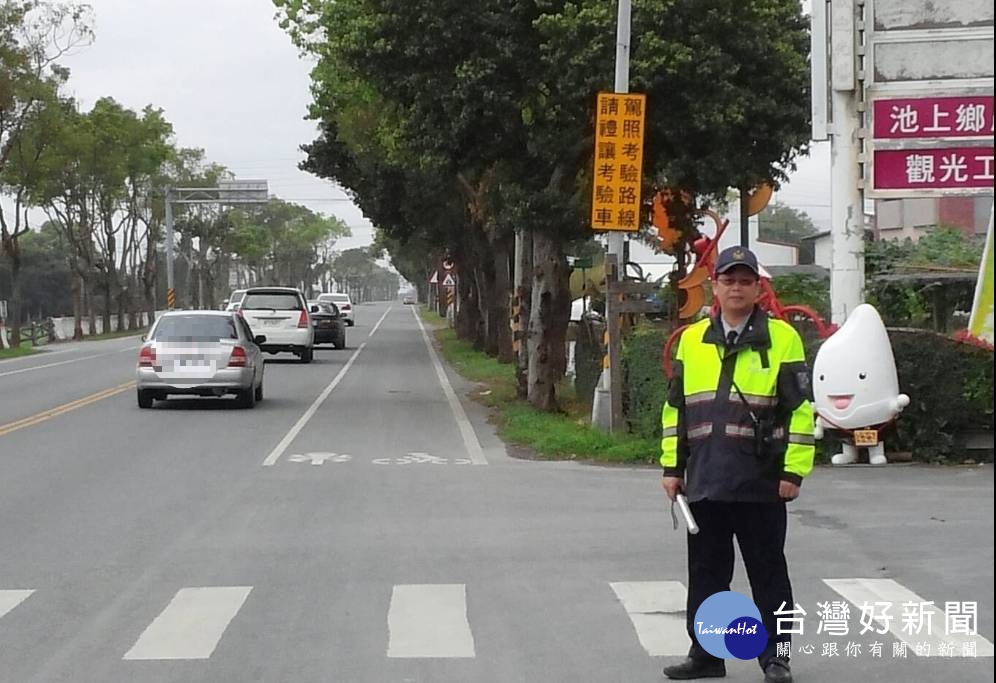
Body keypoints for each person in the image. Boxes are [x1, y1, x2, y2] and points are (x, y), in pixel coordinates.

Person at [660, 246, 815, 683]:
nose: (736, 287)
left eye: (745, 281)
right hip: (706, 479)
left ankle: (776, 658)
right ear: (715, 285)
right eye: (729, 280)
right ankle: (707, 657)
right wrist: (672, 469)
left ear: (757, 288)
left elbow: (801, 412)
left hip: (761, 482)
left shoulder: (782, 337)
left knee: (769, 574)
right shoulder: (693, 339)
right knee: (707, 575)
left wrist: (793, 472)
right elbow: (676, 411)